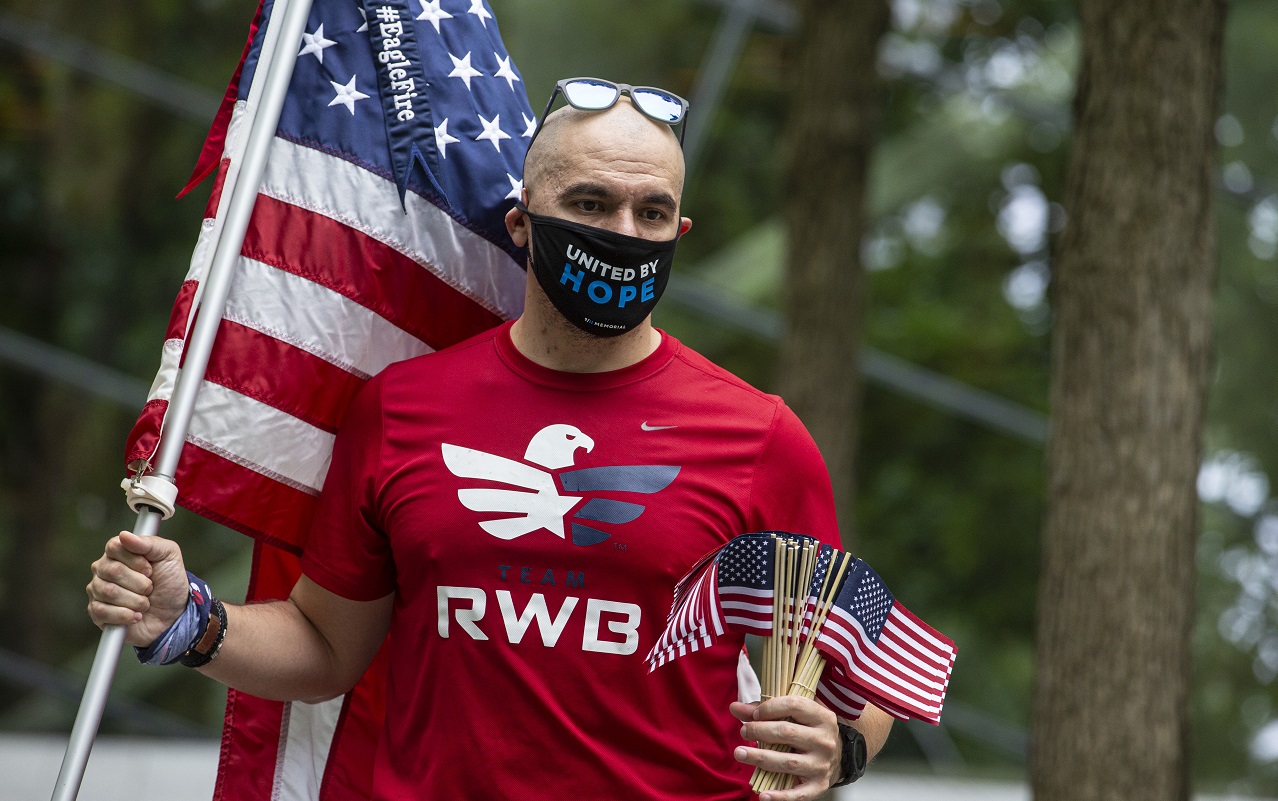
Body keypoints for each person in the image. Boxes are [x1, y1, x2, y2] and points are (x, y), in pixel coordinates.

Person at [87, 79, 892, 801]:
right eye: (588, 203)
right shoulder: (401, 407)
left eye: (649, 212)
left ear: (678, 229)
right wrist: (186, 620)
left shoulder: (760, 435)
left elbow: (865, 677)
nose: (623, 230)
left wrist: (842, 748)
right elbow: (328, 644)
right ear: (521, 222)